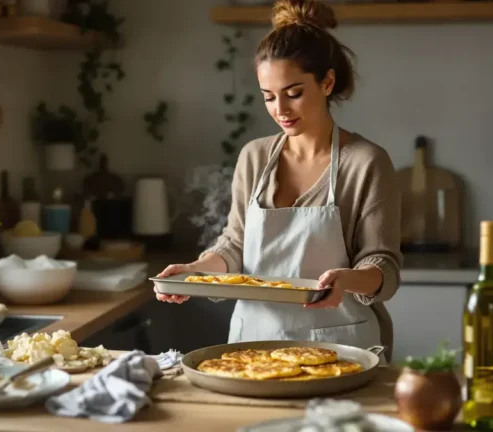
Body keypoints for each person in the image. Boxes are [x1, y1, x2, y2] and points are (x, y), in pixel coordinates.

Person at [154, 0, 402, 355]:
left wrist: (345, 279)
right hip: (253, 345)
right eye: (268, 97)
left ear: (327, 82)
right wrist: (194, 272)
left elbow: (383, 267)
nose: (280, 110)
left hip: (342, 346)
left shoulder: (365, 162)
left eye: (294, 93)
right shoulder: (254, 157)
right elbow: (235, 245)